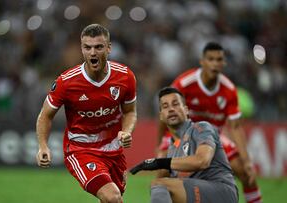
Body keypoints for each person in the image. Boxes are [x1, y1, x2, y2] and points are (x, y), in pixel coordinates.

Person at [36, 24, 137, 203]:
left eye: (98, 47)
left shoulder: (125, 77)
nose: (92, 53)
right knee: (112, 197)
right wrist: (43, 145)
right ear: (81, 49)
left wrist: (127, 131)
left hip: (114, 150)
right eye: (87, 47)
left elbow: (130, 111)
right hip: (81, 150)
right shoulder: (66, 82)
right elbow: (45, 115)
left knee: (112, 198)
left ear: (109, 48)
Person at [157, 42, 262, 203]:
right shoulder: (185, 83)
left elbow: (235, 126)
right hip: (181, 135)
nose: (215, 63)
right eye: (210, 59)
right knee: (163, 172)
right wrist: (160, 145)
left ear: (224, 63)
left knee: (246, 172)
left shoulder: (228, 89)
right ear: (202, 61)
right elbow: (165, 110)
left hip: (213, 139)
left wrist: (247, 161)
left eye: (219, 59)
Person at [131, 87, 238, 203]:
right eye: (166, 106)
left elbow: (202, 161)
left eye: (175, 104)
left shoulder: (201, 128)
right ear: (161, 116)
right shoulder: (172, 149)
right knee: (159, 186)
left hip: (222, 192)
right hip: (200, 195)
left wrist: (159, 163)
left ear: (186, 110)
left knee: (160, 184)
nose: (171, 109)